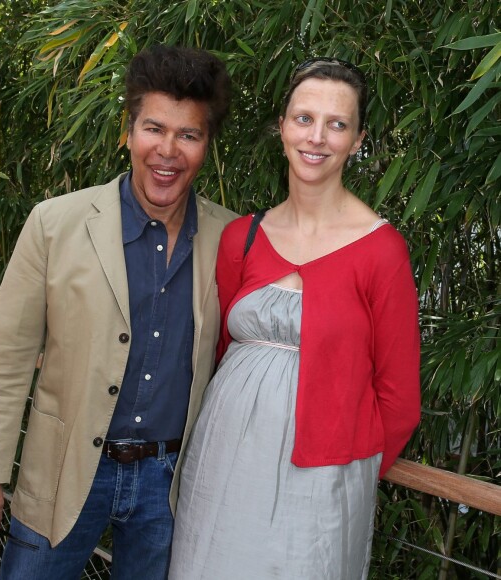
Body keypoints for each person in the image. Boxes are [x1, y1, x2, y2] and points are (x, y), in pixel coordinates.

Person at [0, 44, 237, 579]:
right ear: (129, 132)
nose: (168, 150)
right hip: (64, 471)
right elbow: (8, 360)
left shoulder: (234, 238)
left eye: (189, 134)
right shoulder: (54, 224)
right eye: (154, 128)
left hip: (171, 484)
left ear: (207, 146)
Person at [169, 57, 421, 579]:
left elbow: (399, 398)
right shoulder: (242, 238)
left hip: (323, 483)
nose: (318, 137)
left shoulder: (382, 250)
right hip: (223, 465)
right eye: (304, 118)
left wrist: (348, 472)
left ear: (357, 140)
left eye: (338, 124)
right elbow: (220, 356)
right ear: (282, 127)